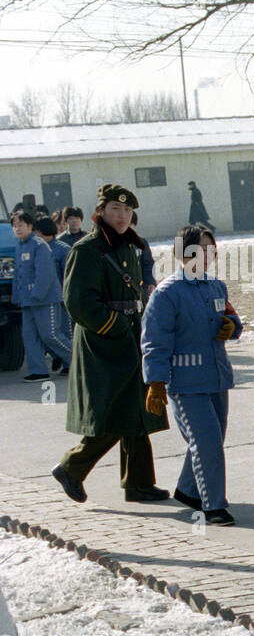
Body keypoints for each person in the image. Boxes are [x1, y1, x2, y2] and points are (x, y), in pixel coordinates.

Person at [52, 184, 169, 504]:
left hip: (129, 333)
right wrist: (115, 326)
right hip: (102, 341)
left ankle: (139, 482)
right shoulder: (87, 249)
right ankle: (71, 467)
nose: (122, 217)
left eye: (128, 212)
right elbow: (78, 302)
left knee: (136, 405)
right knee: (115, 410)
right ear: (100, 211)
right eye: (116, 210)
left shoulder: (129, 246)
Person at [140, 226, 241, 526]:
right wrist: (156, 383)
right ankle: (213, 506)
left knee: (212, 438)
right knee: (206, 442)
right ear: (183, 254)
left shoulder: (216, 287)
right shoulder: (166, 294)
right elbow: (154, 342)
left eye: (211, 250)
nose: (206, 256)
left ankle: (188, 490)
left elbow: (231, 318)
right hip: (185, 383)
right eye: (199, 250)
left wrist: (232, 327)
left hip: (216, 377)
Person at [10, 211, 72, 382]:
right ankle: (38, 370)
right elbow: (18, 275)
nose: (17, 229)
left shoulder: (39, 245)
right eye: (15, 226)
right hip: (27, 301)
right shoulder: (19, 246)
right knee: (30, 337)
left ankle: (78, 361)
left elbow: (44, 273)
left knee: (50, 334)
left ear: (31, 226)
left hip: (45, 299)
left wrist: (37, 294)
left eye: (21, 225)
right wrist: (17, 297)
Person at [32, 216, 74, 367]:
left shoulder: (63, 249)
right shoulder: (37, 247)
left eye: (37, 231)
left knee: (64, 331)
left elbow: (68, 274)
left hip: (62, 296)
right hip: (48, 297)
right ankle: (62, 360)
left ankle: (71, 363)